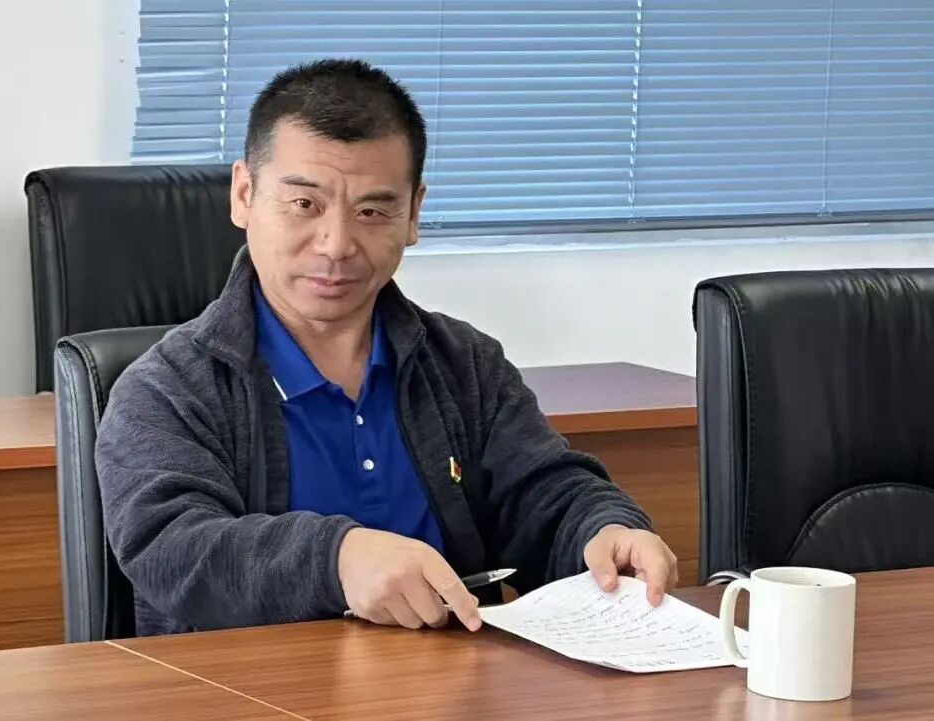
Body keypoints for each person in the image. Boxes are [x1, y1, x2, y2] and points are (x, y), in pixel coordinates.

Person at [95, 58, 678, 636]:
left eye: (372, 211)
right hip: (250, 682)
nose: (336, 244)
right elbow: (173, 549)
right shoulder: (166, 387)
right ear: (244, 194)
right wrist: (337, 559)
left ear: (414, 213)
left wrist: (603, 530)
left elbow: (543, 495)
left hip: (453, 679)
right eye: (304, 204)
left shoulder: (465, 364)